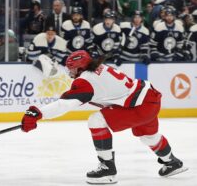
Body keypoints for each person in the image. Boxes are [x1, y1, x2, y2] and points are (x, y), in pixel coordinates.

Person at [20, 50, 188, 184]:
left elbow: (65, 104)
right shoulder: (98, 68)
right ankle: (172, 162)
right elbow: (76, 94)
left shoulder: (85, 81)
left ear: (80, 67)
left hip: (140, 105)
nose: (69, 71)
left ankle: (108, 169)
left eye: (71, 68)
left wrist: (37, 113)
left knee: (96, 120)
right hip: (148, 98)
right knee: (148, 136)